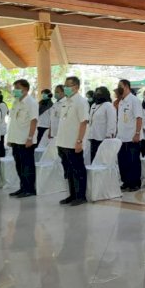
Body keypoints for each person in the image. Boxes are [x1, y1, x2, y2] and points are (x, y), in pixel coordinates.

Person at [56, 76, 89, 206]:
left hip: (73, 142)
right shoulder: (65, 101)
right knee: (69, 170)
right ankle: (72, 194)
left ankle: (81, 196)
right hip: (63, 141)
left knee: (78, 170)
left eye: (68, 85)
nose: (65, 88)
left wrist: (79, 141)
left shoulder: (80, 102)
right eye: (65, 85)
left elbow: (83, 122)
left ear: (76, 87)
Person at [7, 79, 38, 198]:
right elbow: (13, 121)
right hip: (15, 139)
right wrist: (10, 139)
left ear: (25, 89)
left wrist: (30, 138)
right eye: (15, 88)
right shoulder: (16, 102)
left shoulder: (31, 102)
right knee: (19, 165)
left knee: (27, 165)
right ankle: (22, 187)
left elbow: (34, 120)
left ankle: (30, 188)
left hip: (26, 139)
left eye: (18, 88)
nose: (15, 90)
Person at [116, 79, 143, 192]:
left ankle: (135, 183)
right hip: (121, 136)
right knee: (123, 161)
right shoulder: (121, 101)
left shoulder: (134, 100)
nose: (118, 87)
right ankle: (126, 181)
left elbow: (139, 118)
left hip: (132, 136)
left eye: (120, 86)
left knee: (133, 161)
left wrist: (137, 133)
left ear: (126, 86)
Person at [88, 86, 116, 162]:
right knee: (93, 159)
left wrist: (109, 135)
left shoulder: (108, 105)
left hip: (103, 137)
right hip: (93, 136)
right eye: (96, 92)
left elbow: (112, 121)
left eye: (99, 92)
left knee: (102, 160)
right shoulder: (93, 105)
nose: (97, 94)